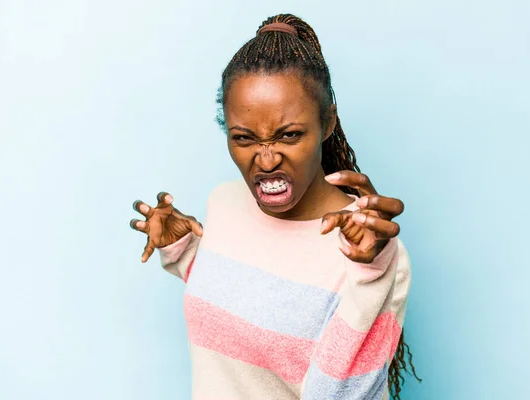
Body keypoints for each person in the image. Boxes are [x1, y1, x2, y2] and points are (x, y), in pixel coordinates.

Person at [129, 13, 419, 400]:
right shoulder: (224, 201)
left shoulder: (371, 252)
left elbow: (340, 394)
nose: (266, 162)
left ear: (328, 121)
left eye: (290, 135)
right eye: (244, 138)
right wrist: (183, 252)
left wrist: (371, 276)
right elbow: (250, 300)